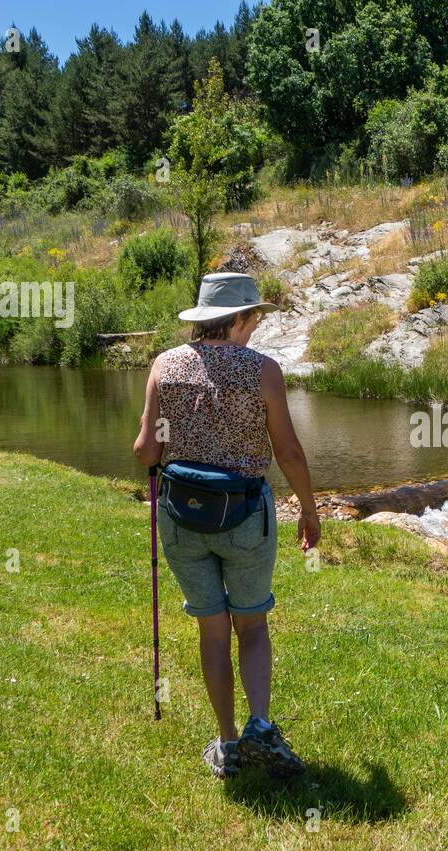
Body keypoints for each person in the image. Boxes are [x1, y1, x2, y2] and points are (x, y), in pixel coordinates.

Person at [133, 273, 321, 779]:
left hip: (182, 516)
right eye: (254, 317)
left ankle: (228, 743)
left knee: (212, 633)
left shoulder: (164, 366)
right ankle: (260, 724)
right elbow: (288, 452)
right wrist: (309, 509)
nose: (256, 326)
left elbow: (146, 450)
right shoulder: (263, 371)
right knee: (253, 626)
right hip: (244, 515)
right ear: (237, 320)